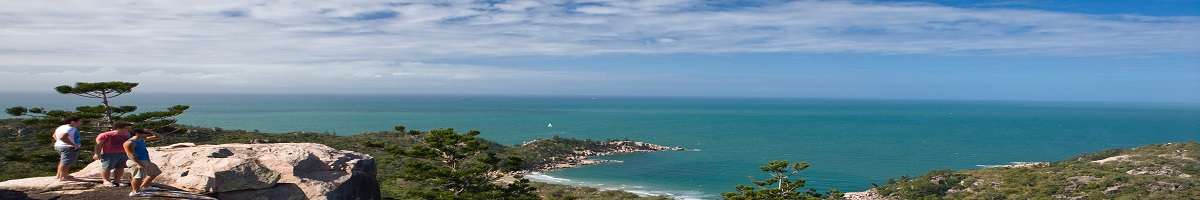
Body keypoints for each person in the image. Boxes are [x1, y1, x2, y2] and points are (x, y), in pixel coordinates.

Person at [124, 129, 162, 197]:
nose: (147, 134)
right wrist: (138, 164)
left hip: (145, 160)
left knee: (155, 172)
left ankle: (145, 187)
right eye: (145, 133)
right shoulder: (130, 142)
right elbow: (130, 155)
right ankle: (135, 192)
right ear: (137, 133)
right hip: (136, 161)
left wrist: (150, 131)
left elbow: (159, 137)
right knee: (138, 177)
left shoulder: (141, 139)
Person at [95, 122, 133, 187]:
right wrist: (97, 153)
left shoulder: (128, 134)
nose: (129, 128)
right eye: (127, 127)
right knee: (107, 167)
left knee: (120, 167)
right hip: (109, 153)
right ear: (119, 128)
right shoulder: (106, 134)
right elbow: (99, 144)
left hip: (123, 153)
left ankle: (117, 181)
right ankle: (106, 180)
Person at [52, 117, 83, 182]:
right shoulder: (71, 128)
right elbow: (62, 137)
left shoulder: (61, 127)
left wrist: (59, 142)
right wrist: (73, 144)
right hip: (67, 147)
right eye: (79, 121)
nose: (80, 123)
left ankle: (59, 175)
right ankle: (63, 177)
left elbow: (54, 135)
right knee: (66, 162)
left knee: (63, 161)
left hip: (59, 146)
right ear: (72, 122)